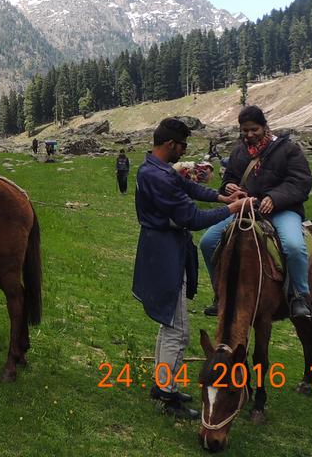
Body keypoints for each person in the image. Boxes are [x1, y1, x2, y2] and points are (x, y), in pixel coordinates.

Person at [132, 118, 246, 419]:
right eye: (183, 146)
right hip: (166, 253)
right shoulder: (160, 177)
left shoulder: (154, 169)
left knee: (168, 323)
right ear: (171, 144)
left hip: (159, 250)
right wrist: (230, 210)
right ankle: (167, 395)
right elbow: (192, 218)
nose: (184, 152)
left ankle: (162, 384)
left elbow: (188, 186)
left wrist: (222, 196)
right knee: (178, 330)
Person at [199, 105, 312, 319]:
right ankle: (222, 294)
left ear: (264, 127)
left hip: (282, 210)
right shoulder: (239, 152)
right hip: (245, 209)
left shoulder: (288, 149)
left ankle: (299, 295)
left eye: (254, 130)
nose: (249, 135)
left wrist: (274, 198)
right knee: (207, 242)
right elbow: (229, 179)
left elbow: (301, 182)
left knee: (294, 246)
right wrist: (229, 187)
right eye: (245, 131)